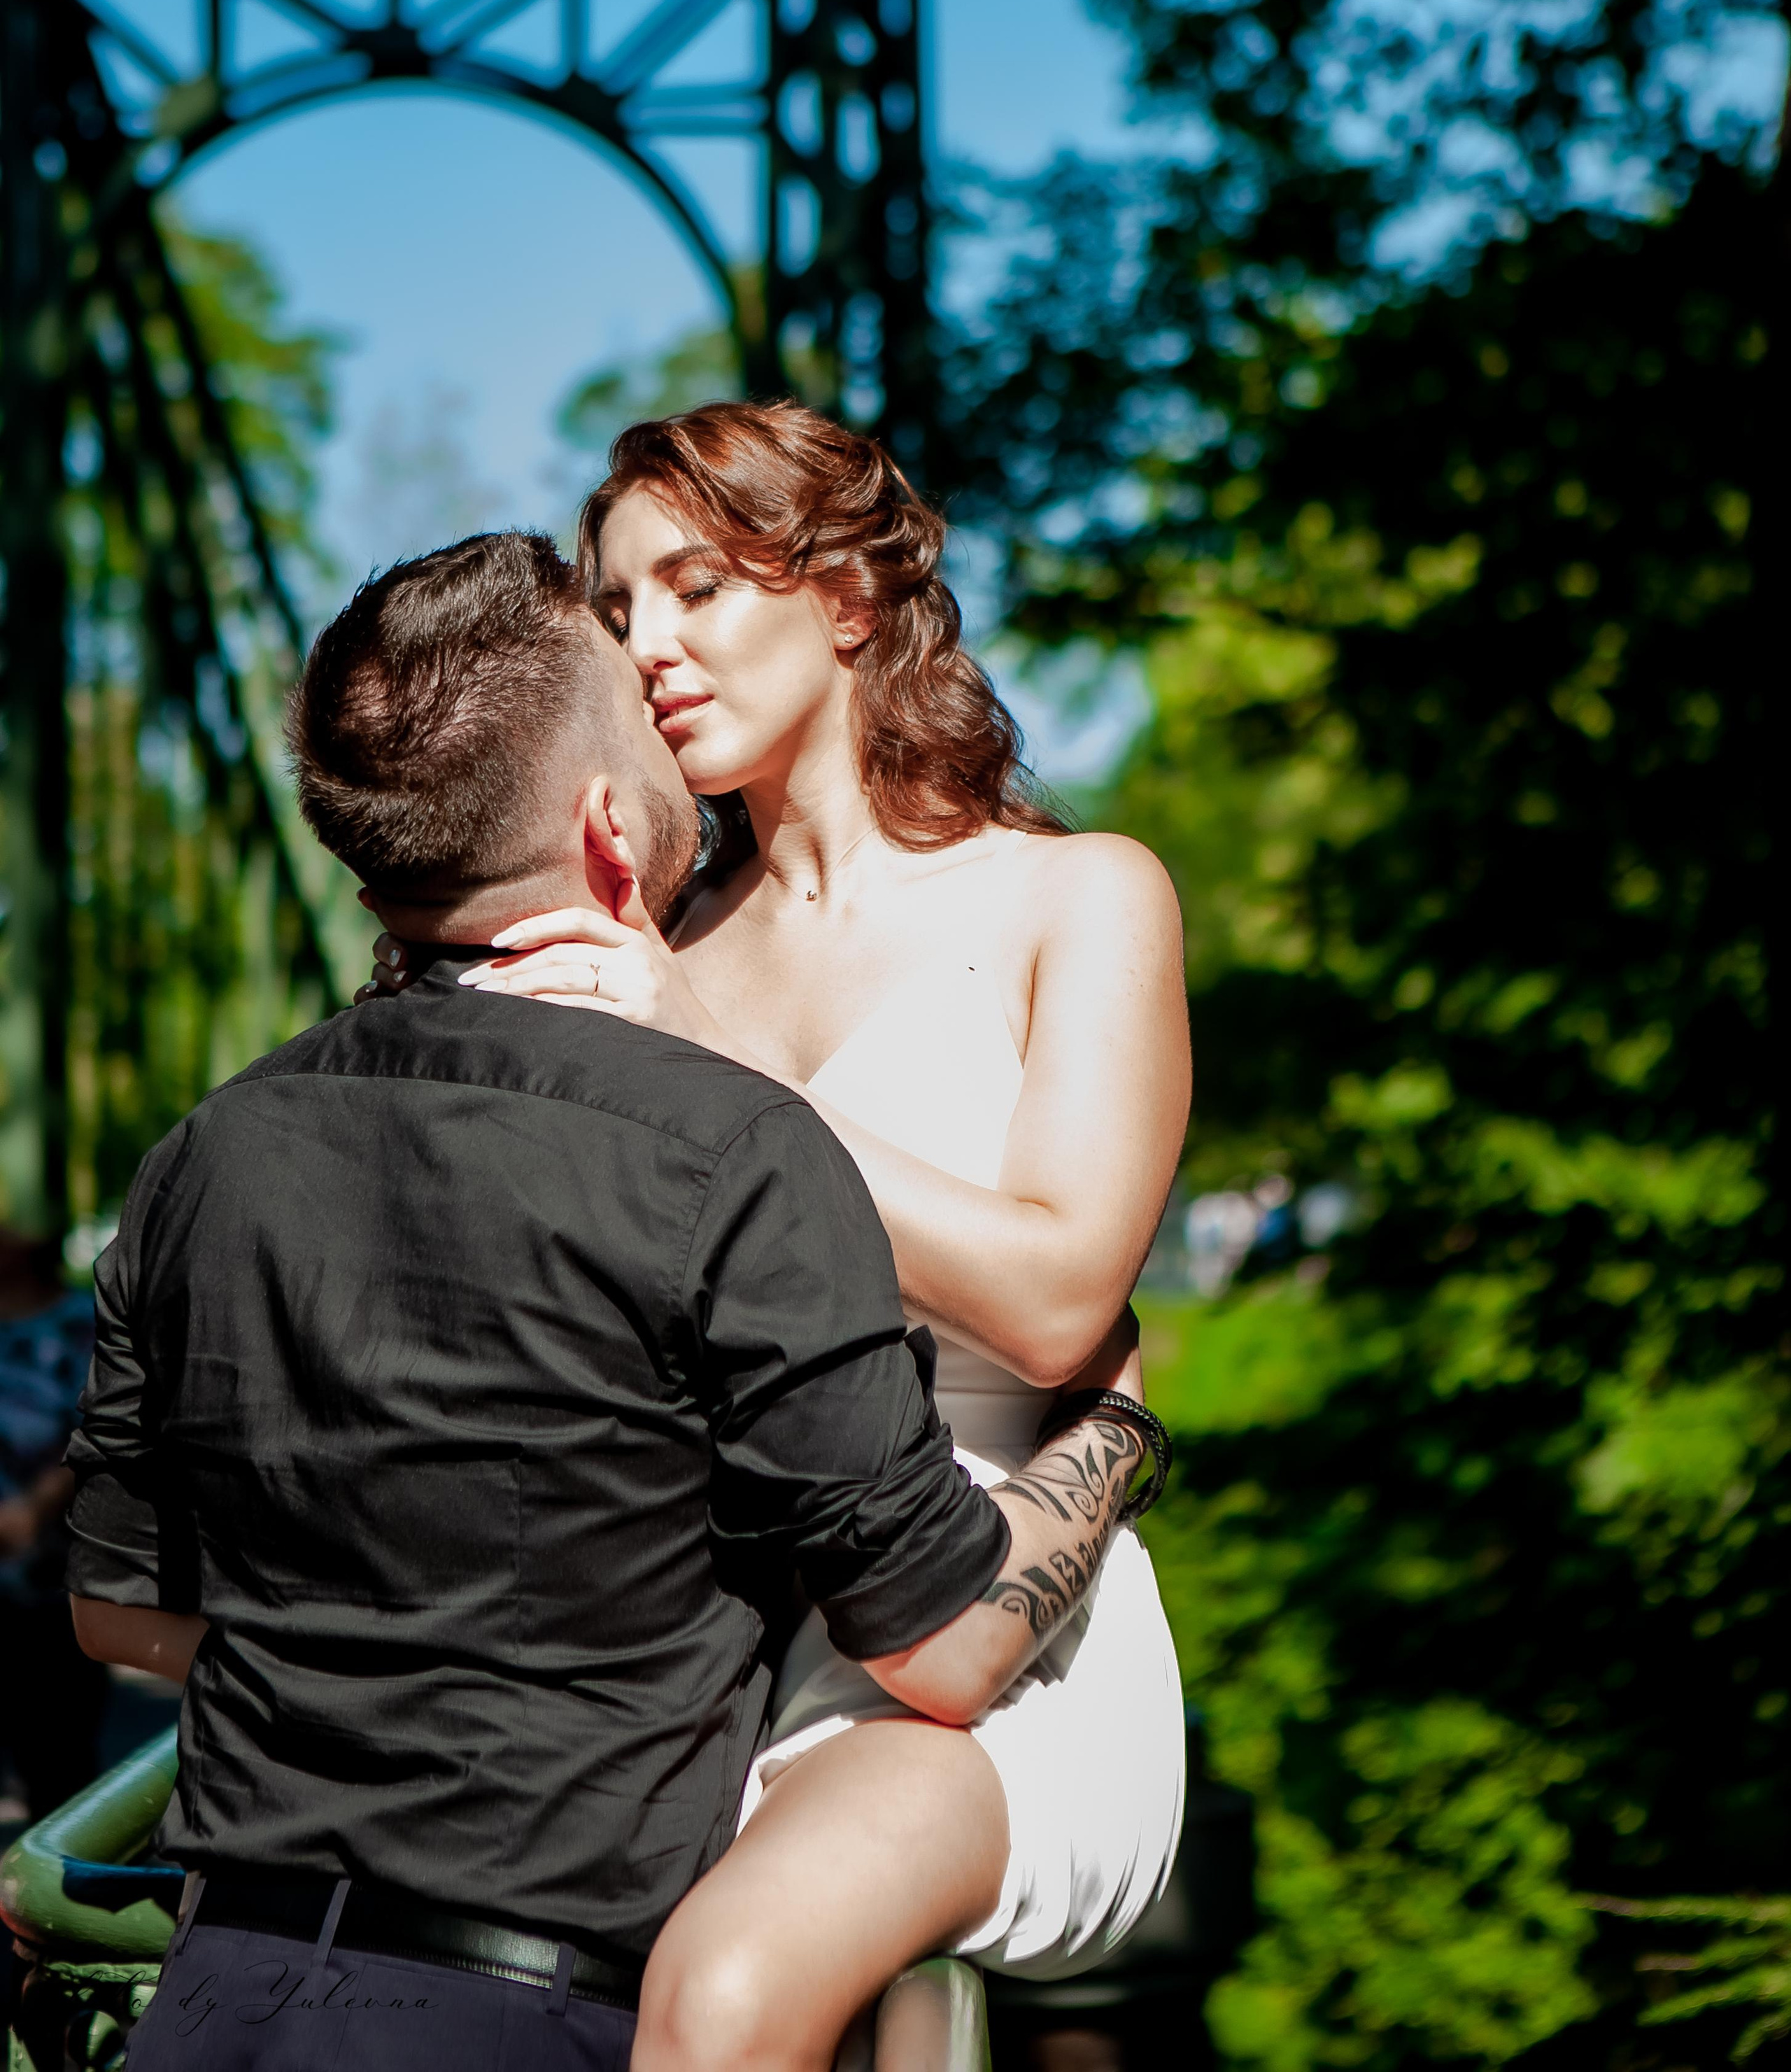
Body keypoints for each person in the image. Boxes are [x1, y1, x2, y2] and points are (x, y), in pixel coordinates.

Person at [62, 530, 1156, 2072]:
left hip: (211, 1999)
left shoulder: (199, 1158)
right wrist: (1115, 1428)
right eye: (640, 710)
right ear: (602, 829)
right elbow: (943, 1649)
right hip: (515, 2018)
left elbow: (119, 1610)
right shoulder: (727, 1153)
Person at [382, 404, 1192, 2028]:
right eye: (616, 613)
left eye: (695, 585)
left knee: (729, 1982)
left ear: (842, 597)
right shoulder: (632, 946)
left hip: (987, 1632)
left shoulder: (1073, 895)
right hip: (670, 1633)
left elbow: (1053, 1305)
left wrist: (714, 1072)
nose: (649, 648)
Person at [0, 1229, 103, 1824]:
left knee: (60, 1781)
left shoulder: (82, 1322)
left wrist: (32, 1511)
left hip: (55, 1587)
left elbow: (104, 1433)